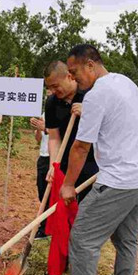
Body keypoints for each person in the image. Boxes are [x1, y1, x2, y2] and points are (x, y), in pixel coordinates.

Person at [46, 44, 138, 275]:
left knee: (83, 236)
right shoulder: (126, 82)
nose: (73, 78)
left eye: (74, 72)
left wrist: (68, 184)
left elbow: (81, 147)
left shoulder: (97, 95)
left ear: (90, 65)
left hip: (119, 180)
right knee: (126, 240)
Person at [44, 60, 98, 213]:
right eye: (50, 87)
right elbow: (54, 137)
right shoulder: (52, 103)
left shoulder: (91, 95)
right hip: (67, 165)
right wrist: (53, 165)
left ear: (69, 76)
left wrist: (88, 112)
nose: (54, 91)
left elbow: (111, 124)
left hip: (93, 163)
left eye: (56, 86)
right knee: (65, 209)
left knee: (88, 211)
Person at [30, 90, 52, 239]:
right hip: (43, 156)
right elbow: (38, 139)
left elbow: (59, 134)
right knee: (41, 192)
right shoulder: (44, 114)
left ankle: (45, 228)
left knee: (49, 194)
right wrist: (38, 129)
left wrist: (45, 128)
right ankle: (44, 224)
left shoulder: (60, 113)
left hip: (54, 157)